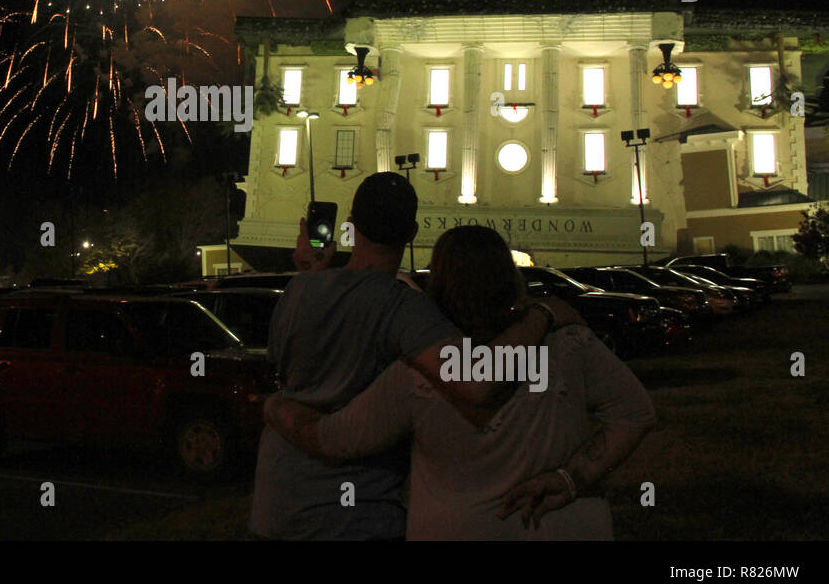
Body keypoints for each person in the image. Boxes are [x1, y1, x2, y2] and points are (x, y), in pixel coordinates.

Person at [264, 225, 657, 539]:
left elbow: (335, 439)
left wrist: (277, 407)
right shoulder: (570, 346)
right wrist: (572, 479)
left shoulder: (421, 374)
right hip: (567, 526)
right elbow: (635, 413)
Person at [249, 173, 581, 540]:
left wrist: (314, 270)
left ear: (350, 226)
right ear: (411, 233)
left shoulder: (298, 289)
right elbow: (476, 382)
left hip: (275, 502)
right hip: (353, 516)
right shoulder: (402, 309)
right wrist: (543, 315)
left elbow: (292, 371)